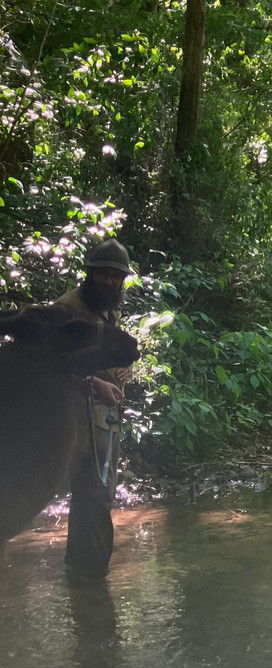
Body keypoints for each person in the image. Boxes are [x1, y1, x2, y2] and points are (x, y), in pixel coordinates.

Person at [55, 238, 136, 580]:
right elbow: (52, 365)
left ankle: (81, 571)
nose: (108, 281)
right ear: (88, 273)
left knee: (97, 495)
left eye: (115, 276)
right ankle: (91, 579)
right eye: (102, 274)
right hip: (78, 416)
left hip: (105, 419)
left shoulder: (107, 310)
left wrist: (124, 369)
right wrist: (96, 383)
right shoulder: (67, 309)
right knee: (94, 494)